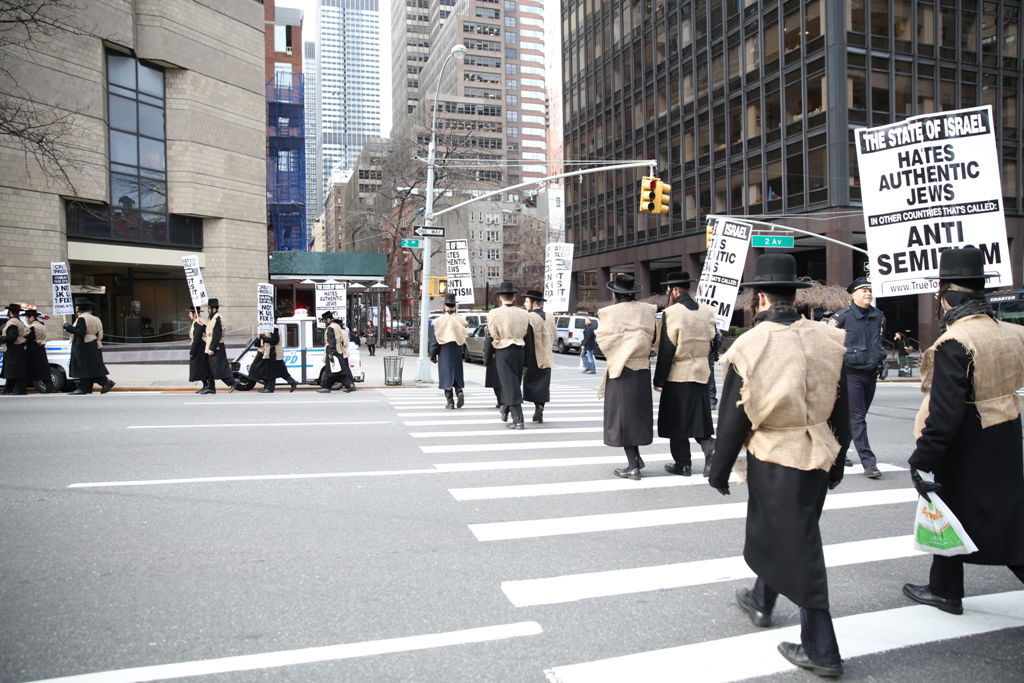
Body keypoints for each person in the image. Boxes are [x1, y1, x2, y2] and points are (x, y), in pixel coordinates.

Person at [709, 254, 850, 678]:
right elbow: (841, 406)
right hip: (819, 449)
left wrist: (719, 468)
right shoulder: (828, 338)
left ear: (761, 299)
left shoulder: (751, 344)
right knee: (787, 531)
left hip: (775, 454)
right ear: (796, 297)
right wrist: (838, 459)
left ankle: (822, 648)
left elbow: (733, 415)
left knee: (798, 542)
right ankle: (761, 598)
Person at [902, 247, 1024, 615]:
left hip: (966, 446)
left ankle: (946, 590)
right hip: (1005, 435)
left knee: (992, 523)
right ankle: (944, 588)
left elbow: (945, 413)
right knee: (961, 513)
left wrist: (922, 458)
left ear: (946, 296)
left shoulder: (955, 342)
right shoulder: (1013, 333)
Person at [653, 272, 717, 478]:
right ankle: (711, 450)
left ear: (673, 290)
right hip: (701, 372)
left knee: (676, 420)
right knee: (699, 418)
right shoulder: (707, 311)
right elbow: (715, 342)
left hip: (678, 374)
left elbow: (667, 349)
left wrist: (659, 379)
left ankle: (683, 464)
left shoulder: (672, 313)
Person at [596, 273, 657, 480]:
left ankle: (633, 467)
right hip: (642, 369)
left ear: (615, 293)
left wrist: (619, 351)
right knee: (636, 416)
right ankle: (636, 459)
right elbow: (654, 337)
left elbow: (603, 342)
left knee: (622, 418)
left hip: (620, 369)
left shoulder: (608, 313)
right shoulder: (647, 310)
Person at [829, 276, 886, 478]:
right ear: (853, 295)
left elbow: (878, 342)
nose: (868, 293)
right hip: (850, 373)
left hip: (871, 373)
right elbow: (827, 343)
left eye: (870, 290)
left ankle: (840, 451)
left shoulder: (879, 316)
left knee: (855, 419)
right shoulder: (841, 317)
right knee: (858, 418)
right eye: (864, 290)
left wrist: (881, 361)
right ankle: (869, 463)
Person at [485, 281, 532, 429]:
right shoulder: (524, 314)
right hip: (519, 350)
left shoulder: (493, 314)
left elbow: (490, 337)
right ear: (514, 297)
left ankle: (518, 420)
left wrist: (487, 358)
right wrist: (527, 360)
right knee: (512, 383)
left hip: (502, 350)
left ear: (500, 298)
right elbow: (529, 338)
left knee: (509, 384)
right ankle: (505, 408)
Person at [63, 298, 115, 395]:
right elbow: (99, 332)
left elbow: (80, 332)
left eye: (77, 307)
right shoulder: (96, 318)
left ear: (80, 308)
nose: (76, 308)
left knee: (83, 367)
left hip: (82, 345)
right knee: (90, 367)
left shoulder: (82, 318)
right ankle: (87, 387)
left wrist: (68, 327)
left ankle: (98, 384)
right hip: (93, 343)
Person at [429, 293, 468, 409]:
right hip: (457, 350)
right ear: (455, 306)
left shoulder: (439, 321)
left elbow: (436, 340)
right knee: (457, 374)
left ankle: (450, 402)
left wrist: (432, 354)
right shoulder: (461, 320)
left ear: (445, 306)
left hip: (444, 351)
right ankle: (459, 391)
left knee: (446, 376)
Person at [522, 289, 556, 423]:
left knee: (531, 382)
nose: (525, 304)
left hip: (533, 356)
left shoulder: (529, 317)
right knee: (543, 384)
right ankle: (540, 406)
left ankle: (537, 406)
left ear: (533, 302)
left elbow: (526, 337)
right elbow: (554, 335)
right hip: (547, 356)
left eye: (526, 301)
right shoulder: (550, 316)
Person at [250, 320, 298, 393]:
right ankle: (290, 382)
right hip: (267, 352)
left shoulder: (274, 327)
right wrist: (260, 339)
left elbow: (275, 340)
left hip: (273, 352)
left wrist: (264, 338)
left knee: (271, 371)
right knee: (273, 371)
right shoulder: (265, 328)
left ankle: (270, 387)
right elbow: (259, 343)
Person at [201, 298, 235, 393]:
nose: (208, 310)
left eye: (209, 308)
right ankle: (211, 387)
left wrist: (212, 348)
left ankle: (233, 382)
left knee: (219, 368)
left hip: (216, 347)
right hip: (212, 346)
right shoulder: (213, 318)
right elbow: (210, 332)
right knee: (210, 368)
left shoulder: (217, 318)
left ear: (214, 309)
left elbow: (217, 334)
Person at [318, 311, 355, 393]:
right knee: (338, 371)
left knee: (330, 370)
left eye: (324, 320)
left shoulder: (330, 328)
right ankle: (349, 385)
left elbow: (331, 341)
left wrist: (331, 353)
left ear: (328, 319)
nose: (324, 322)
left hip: (332, 351)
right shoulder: (337, 326)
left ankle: (326, 388)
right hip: (339, 350)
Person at [24, 308, 55, 393]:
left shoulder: (32, 327)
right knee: (43, 370)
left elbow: (29, 338)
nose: (26, 319)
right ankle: (50, 387)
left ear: (31, 317)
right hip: (40, 348)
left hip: (32, 349)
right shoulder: (41, 325)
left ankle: (21, 387)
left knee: (29, 369)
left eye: (27, 317)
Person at [2, 302, 30, 395]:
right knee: (14, 371)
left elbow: (12, 337)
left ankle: (20, 390)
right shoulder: (19, 322)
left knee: (14, 371)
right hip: (18, 349)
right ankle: (8, 389)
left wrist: (1, 339)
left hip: (13, 349)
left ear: (10, 312)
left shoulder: (12, 323)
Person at [187, 307, 210, 394]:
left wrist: (192, 352)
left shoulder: (198, 322)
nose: (189, 315)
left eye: (190, 313)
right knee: (201, 368)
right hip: (200, 346)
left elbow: (197, 338)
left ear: (194, 313)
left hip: (200, 347)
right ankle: (205, 385)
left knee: (201, 368)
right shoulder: (197, 321)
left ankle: (207, 385)